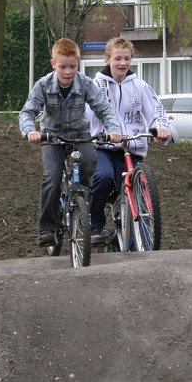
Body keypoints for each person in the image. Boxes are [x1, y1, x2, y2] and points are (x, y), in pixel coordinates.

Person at [19, 37, 123, 247]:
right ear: (53, 64)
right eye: (63, 67)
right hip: (52, 136)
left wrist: (114, 129)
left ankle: (84, 209)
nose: (68, 72)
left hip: (79, 133)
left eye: (73, 67)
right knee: (52, 176)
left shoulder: (85, 83)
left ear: (78, 64)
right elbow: (27, 112)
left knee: (89, 164)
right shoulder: (43, 85)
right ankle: (47, 228)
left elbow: (103, 108)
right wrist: (30, 130)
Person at [87, 37, 171, 246]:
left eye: (126, 58)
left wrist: (161, 129)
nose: (122, 63)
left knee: (136, 190)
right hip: (103, 147)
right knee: (103, 177)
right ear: (108, 59)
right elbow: (85, 115)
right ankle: (95, 224)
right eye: (117, 58)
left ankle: (137, 242)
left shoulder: (140, 86)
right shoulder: (95, 86)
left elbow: (156, 111)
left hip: (131, 148)